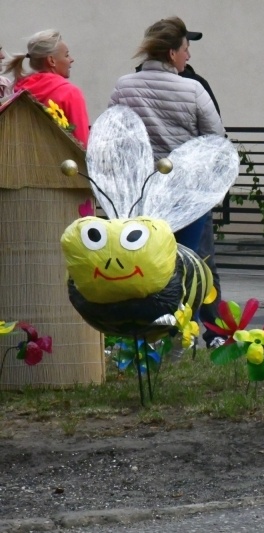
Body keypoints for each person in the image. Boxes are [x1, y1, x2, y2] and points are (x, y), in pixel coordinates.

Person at [109, 16, 226, 348]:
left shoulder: (123, 86)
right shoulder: (193, 89)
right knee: (198, 262)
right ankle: (213, 333)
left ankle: (147, 333)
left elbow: (112, 136)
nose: (188, 56)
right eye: (186, 50)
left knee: (145, 264)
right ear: (173, 53)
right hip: (188, 196)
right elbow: (216, 140)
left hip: (142, 196)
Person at [3, 30, 89, 146]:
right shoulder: (70, 93)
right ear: (51, 60)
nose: (71, 59)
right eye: (67, 55)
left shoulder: (17, 91)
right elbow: (82, 142)